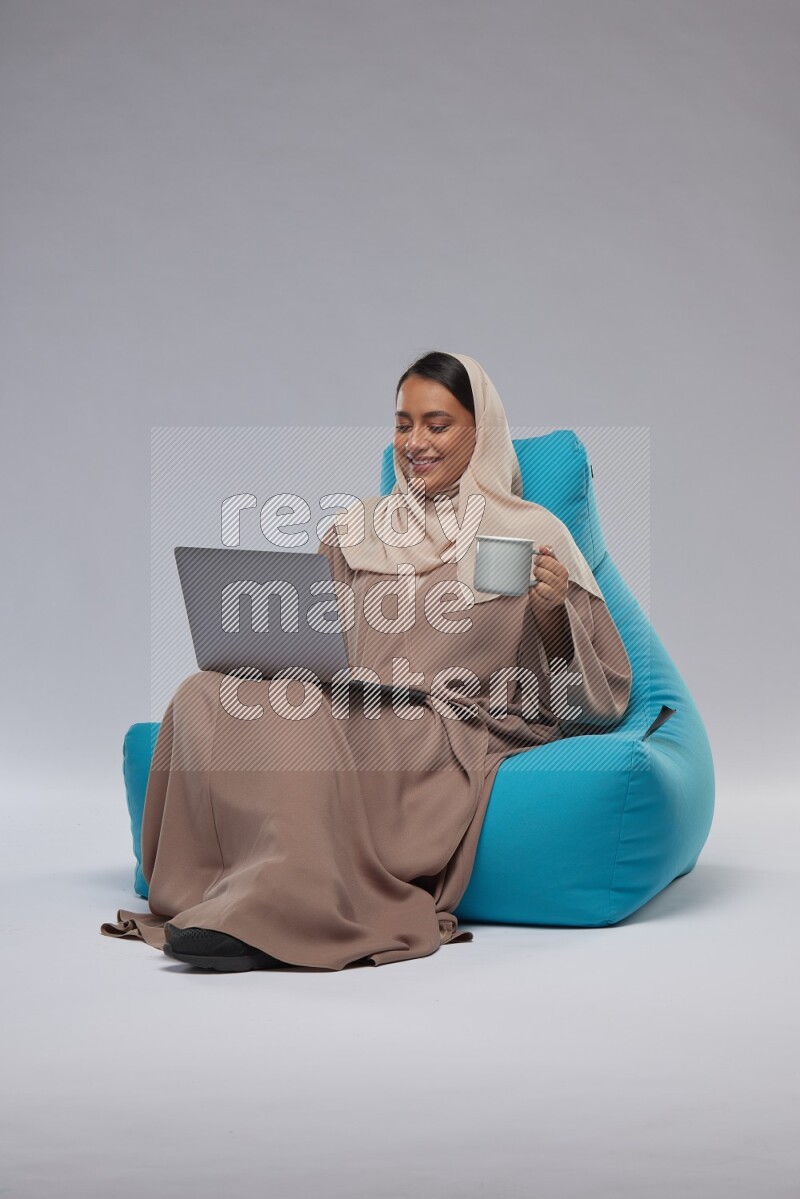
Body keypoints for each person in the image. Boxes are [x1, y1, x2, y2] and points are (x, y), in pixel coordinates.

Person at [100, 350, 633, 972]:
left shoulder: (532, 532)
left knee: (299, 713)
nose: (415, 442)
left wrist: (551, 609)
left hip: (443, 721)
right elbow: (313, 636)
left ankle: (281, 908)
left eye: (438, 425)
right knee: (203, 692)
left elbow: (601, 703)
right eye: (403, 424)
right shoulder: (358, 527)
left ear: (478, 431)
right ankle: (217, 891)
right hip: (349, 700)